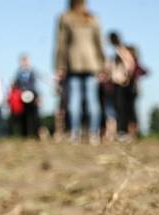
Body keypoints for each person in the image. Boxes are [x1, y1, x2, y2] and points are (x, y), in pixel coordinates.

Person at [55, 0, 105, 144]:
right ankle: (94, 134)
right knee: (92, 99)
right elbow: (99, 43)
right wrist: (102, 64)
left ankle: (74, 133)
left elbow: (61, 43)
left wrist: (59, 65)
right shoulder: (93, 18)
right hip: (92, 62)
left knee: (74, 100)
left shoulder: (65, 18)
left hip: (73, 63)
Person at [107, 31, 136, 140]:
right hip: (116, 83)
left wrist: (126, 77)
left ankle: (123, 132)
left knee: (121, 108)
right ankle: (121, 131)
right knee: (118, 107)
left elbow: (130, 63)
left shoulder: (121, 50)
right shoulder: (117, 50)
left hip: (121, 83)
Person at [15, 54, 41, 138]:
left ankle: (35, 134)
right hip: (22, 96)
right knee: (23, 116)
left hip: (32, 95)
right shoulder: (18, 73)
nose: (25, 63)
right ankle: (25, 135)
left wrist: (37, 97)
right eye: (23, 61)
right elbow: (16, 85)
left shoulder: (33, 72)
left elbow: (35, 85)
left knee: (34, 116)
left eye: (26, 60)